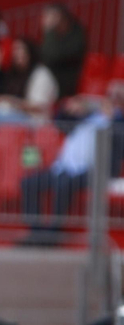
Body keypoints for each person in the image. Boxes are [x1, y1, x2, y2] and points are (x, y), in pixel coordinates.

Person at [19, 83, 124, 243]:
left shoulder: (114, 124)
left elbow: (120, 125)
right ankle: (36, 231)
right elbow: (59, 119)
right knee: (29, 183)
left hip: (90, 171)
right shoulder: (85, 119)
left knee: (64, 183)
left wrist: (116, 111)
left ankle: (54, 232)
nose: (107, 105)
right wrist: (72, 106)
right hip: (62, 167)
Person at [40, 3, 88, 100]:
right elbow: (44, 55)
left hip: (70, 79)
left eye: (50, 16)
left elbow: (54, 56)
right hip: (53, 78)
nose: (47, 20)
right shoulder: (53, 34)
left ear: (60, 16)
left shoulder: (77, 32)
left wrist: (48, 31)